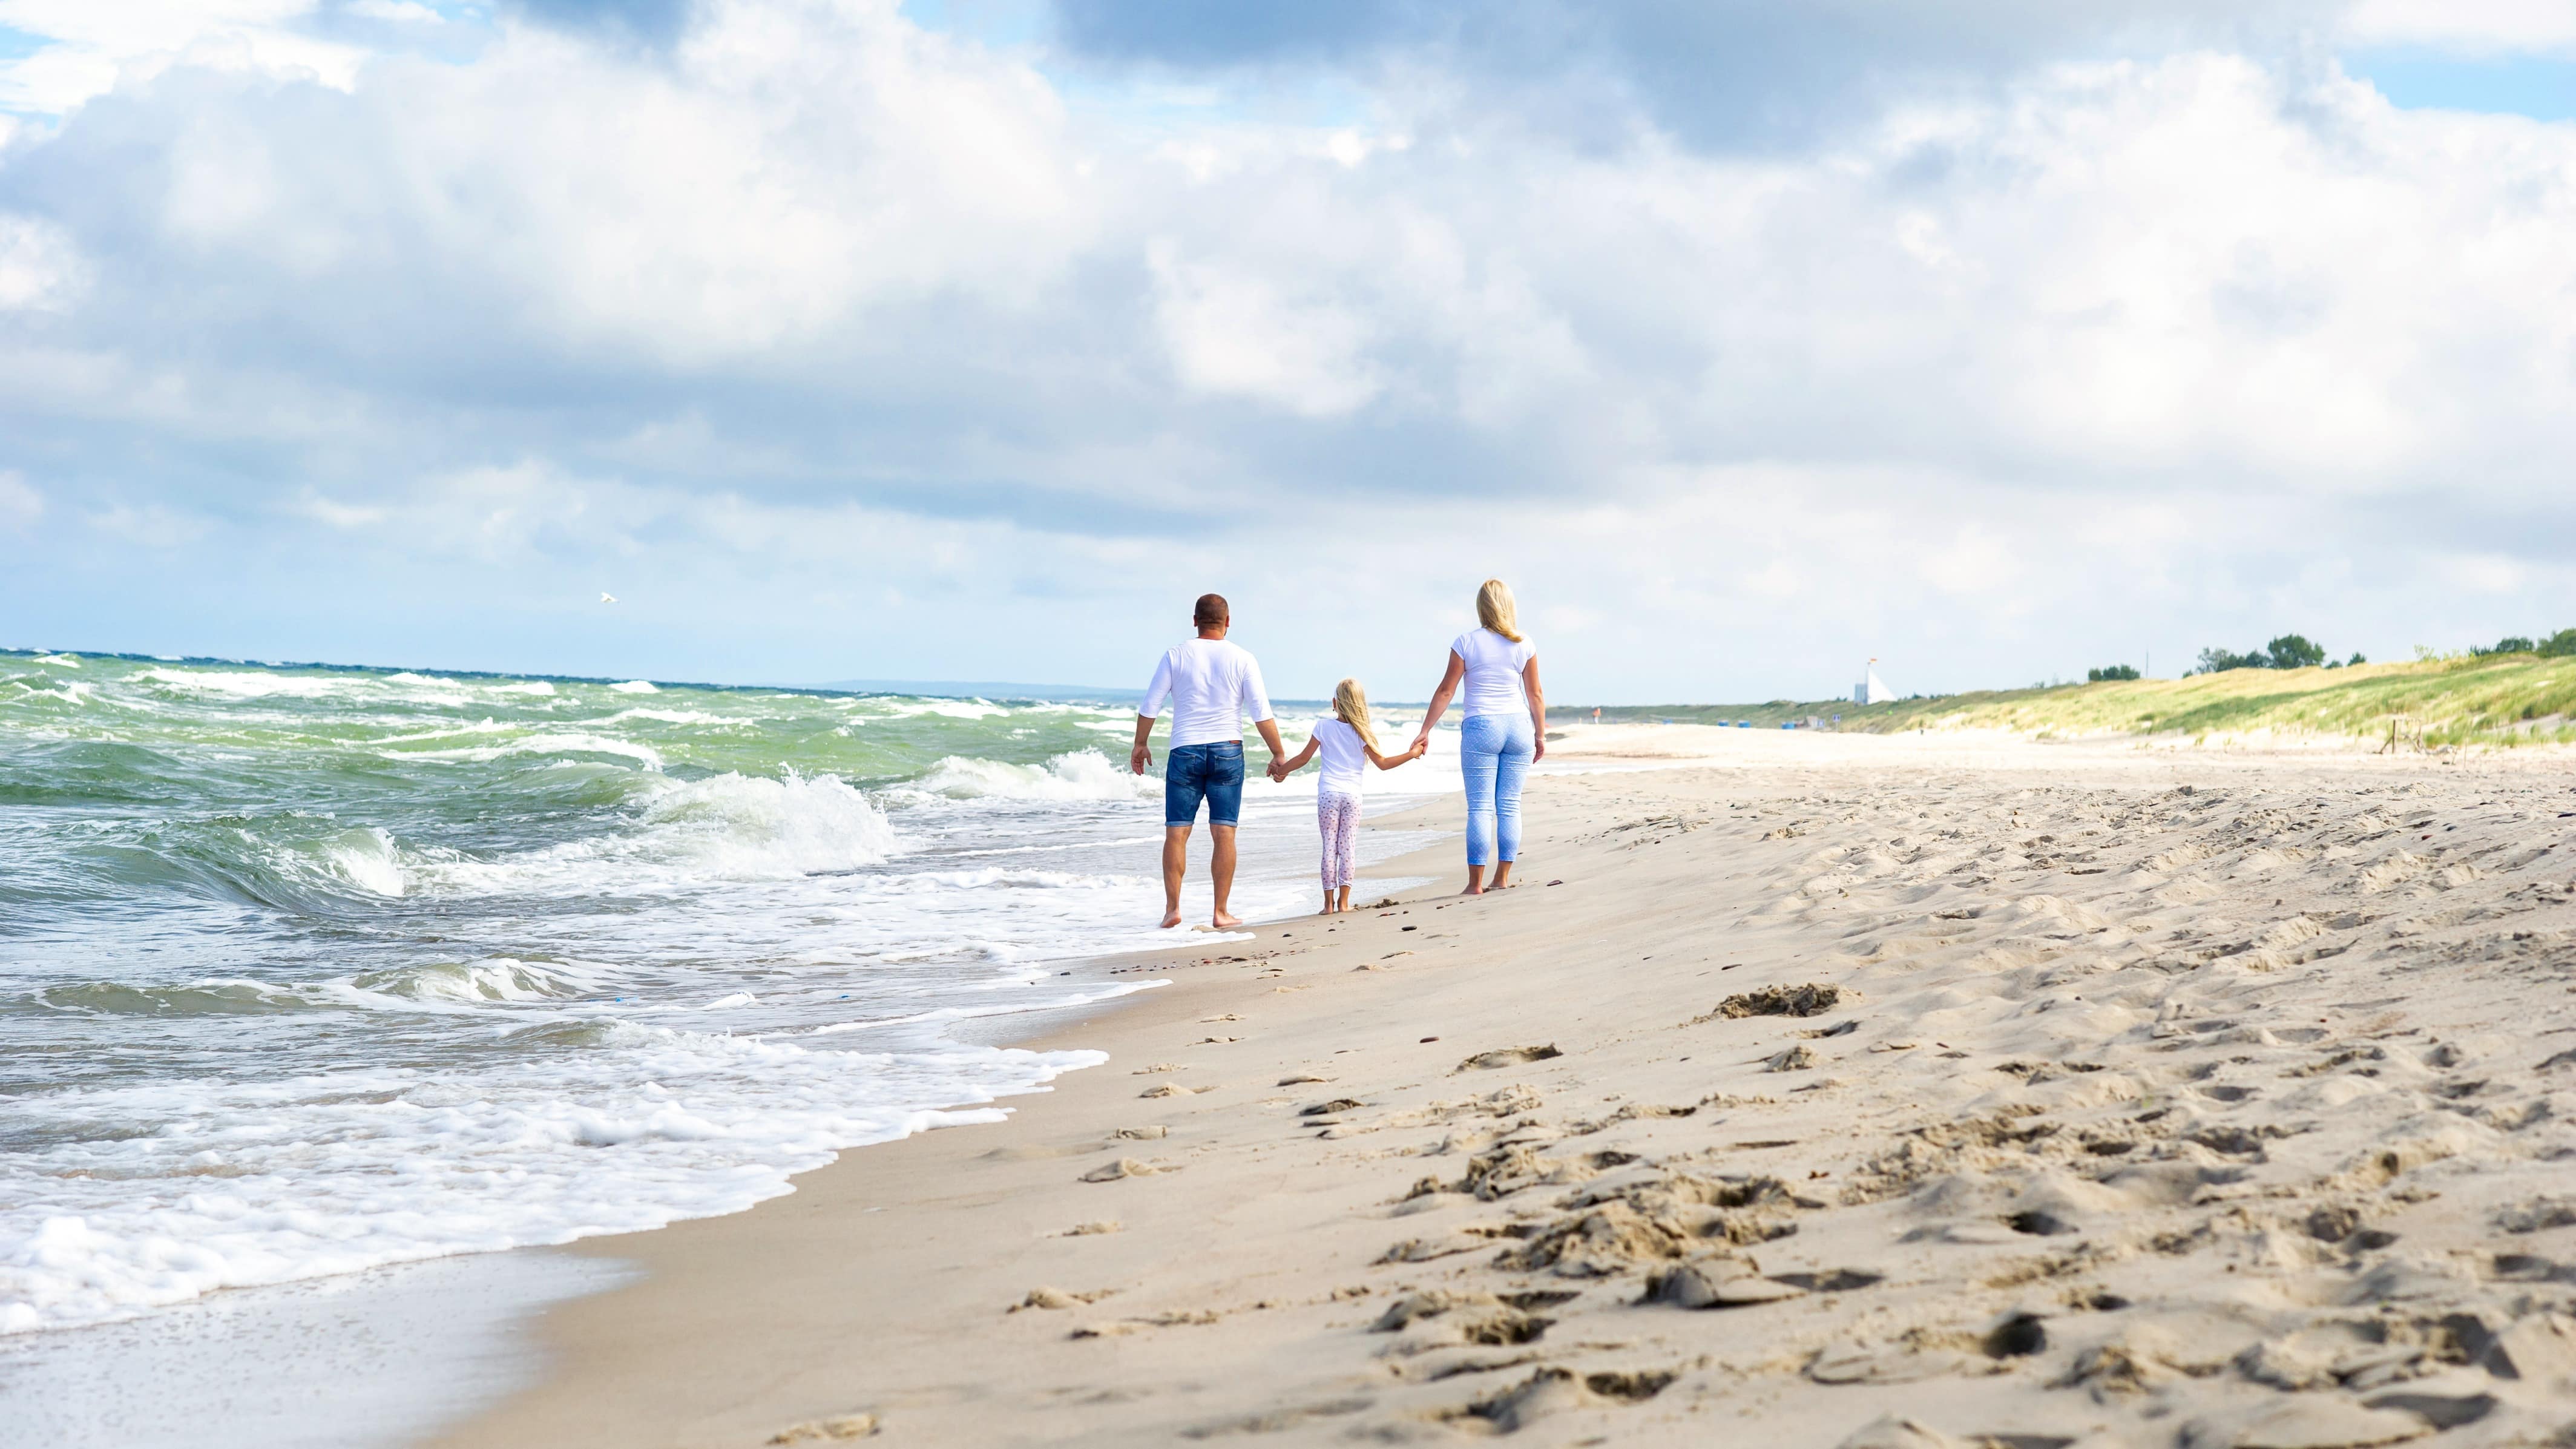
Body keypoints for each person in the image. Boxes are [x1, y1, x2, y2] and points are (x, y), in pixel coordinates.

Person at [1130, 593, 1287, 930]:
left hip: (1185, 750)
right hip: (1228, 750)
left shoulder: (1175, 655)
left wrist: (1140, 744)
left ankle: (1173, 909)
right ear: (1228, 622)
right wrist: (1278, 754)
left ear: (1195, 620)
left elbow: (1150, 705)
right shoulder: (1243, 658)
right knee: (1224, 834)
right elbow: (1262, 713)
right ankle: (1220, 912)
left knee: (1176, 833)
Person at [1409, 579, 1545, 895]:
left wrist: (1425, 729)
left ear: (1481, 606)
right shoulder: (1525, 643)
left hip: (1482, 727)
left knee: (1481, 807)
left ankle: (1475, 884)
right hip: (1518, 727)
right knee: (1510, 805)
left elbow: (1446, 691)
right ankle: (1502, 879)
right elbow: (1535, 694)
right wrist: (1540, 735)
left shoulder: (1466, 642)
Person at [1269, 678, 1425, 915]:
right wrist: (1412, 754)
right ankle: (1344, 904)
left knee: (1329, 847)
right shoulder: (1363, 733)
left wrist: (1282, 771)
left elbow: (1303, 758)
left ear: (1335, 703)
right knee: (1348, 847)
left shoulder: (1323, 727)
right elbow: (1383, 764)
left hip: (1328, 795)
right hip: (1353, 797)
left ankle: (1327, 905)